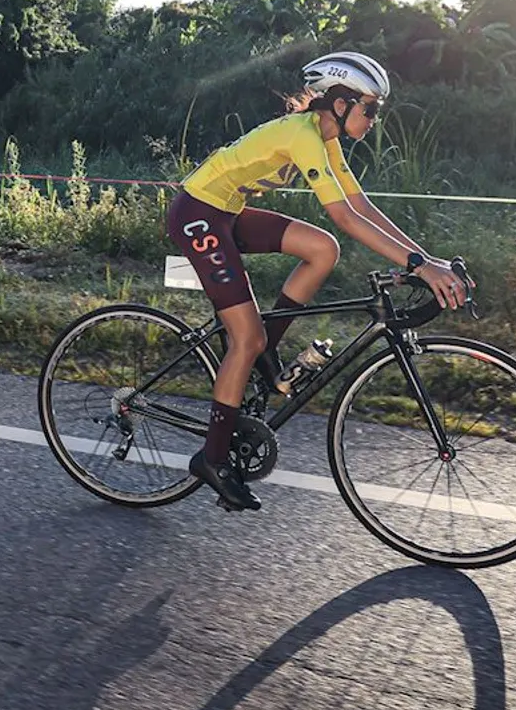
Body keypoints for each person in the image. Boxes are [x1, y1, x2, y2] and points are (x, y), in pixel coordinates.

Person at [166, 50, 472, 511]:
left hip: (226, 212)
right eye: (369, 108)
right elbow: (346, 217)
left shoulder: (324, 137)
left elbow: (362, 206)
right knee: (242, 339)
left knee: (322, 249)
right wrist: (420, 267)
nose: (373, 119)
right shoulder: (301, 134)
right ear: (341, 101)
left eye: (376, 110)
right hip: (198, 213)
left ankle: (266, 349)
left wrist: (426, 260)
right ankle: (213, 458)